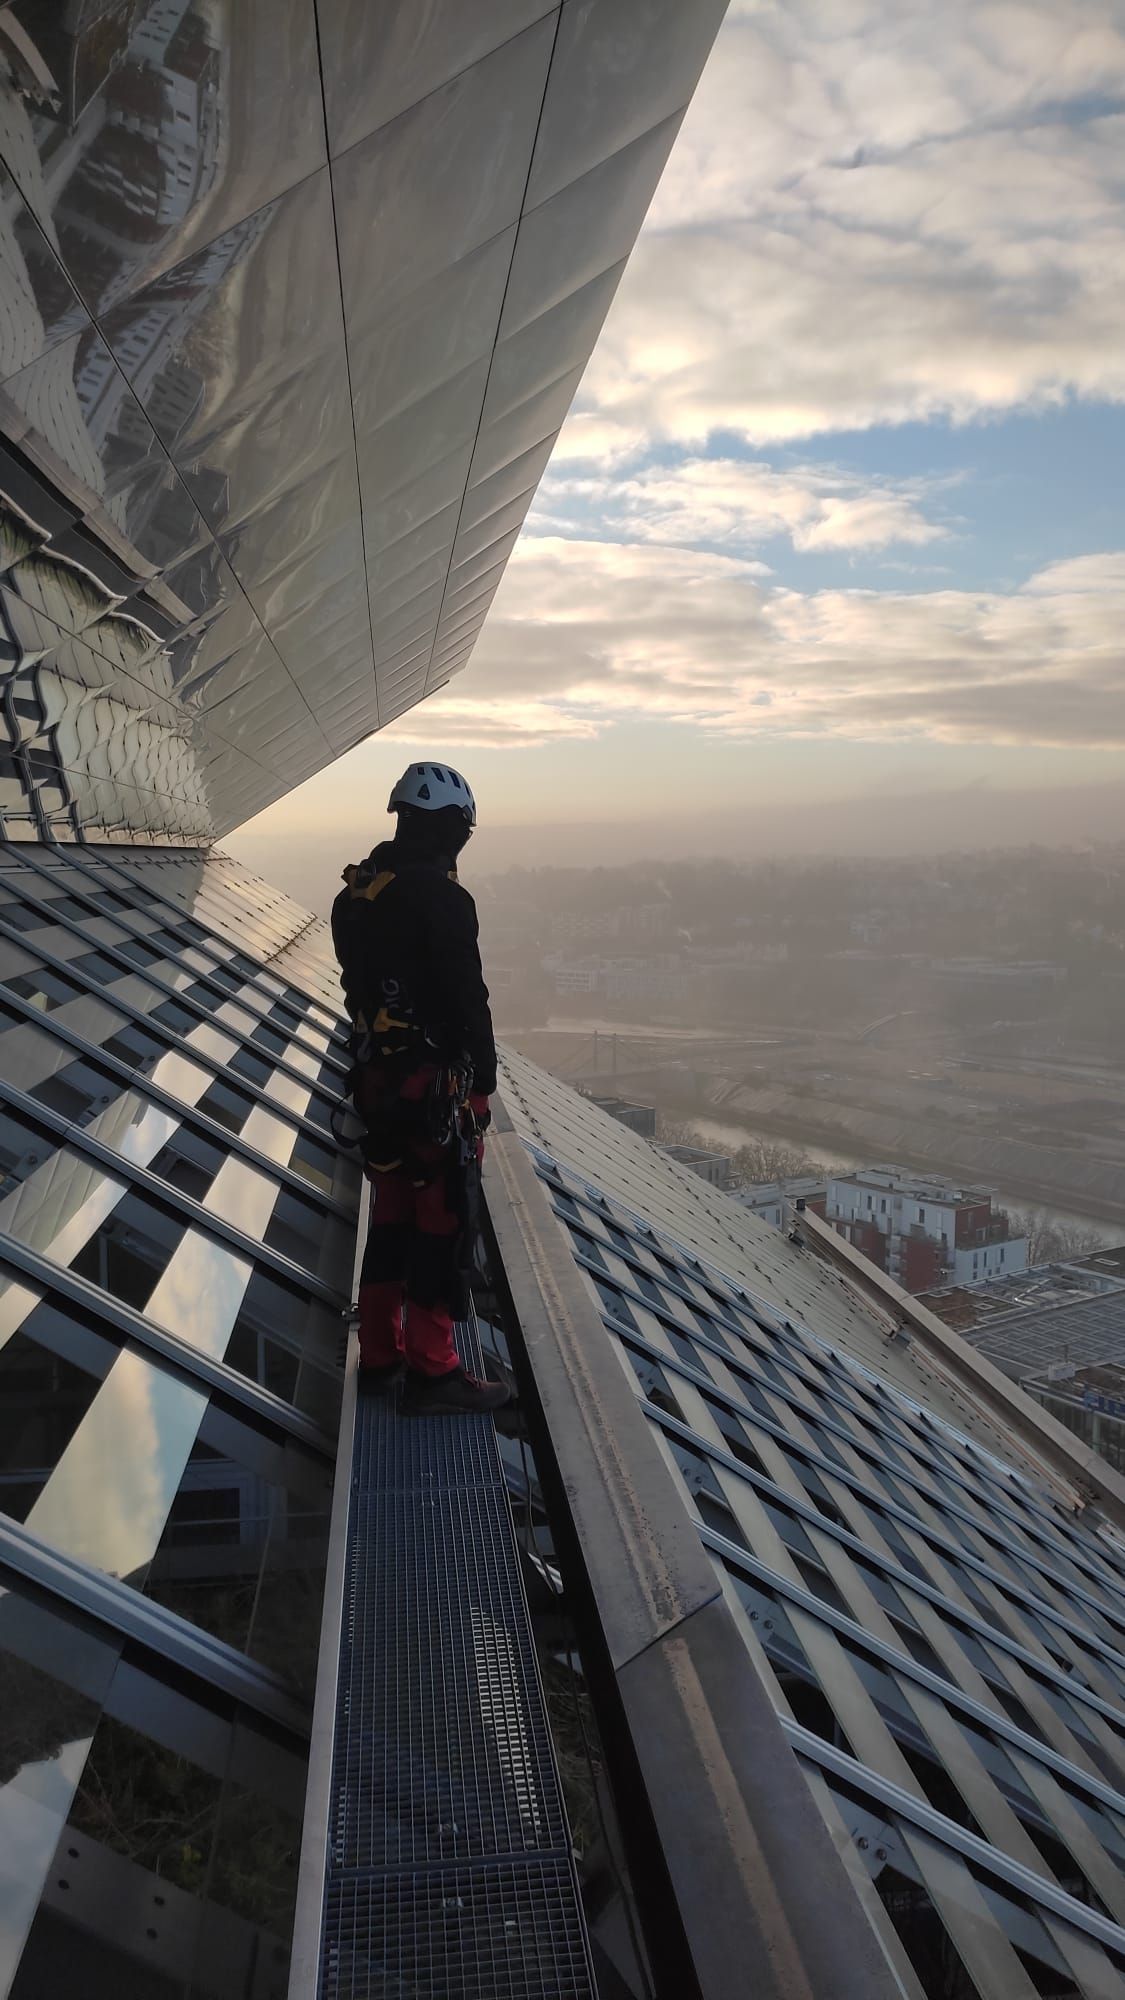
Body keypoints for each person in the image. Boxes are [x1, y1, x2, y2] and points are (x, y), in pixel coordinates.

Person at [331, 762, 510, 1415]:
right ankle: (435, 1373)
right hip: (433, 1092)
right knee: (442, 1224)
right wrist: (482, 1083)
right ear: (450, 828)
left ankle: (381, 1357)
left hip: (379, 1087)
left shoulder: (356, 893)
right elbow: (467, 999)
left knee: (391, 1221)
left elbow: (361, 991)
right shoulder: (442, 898)